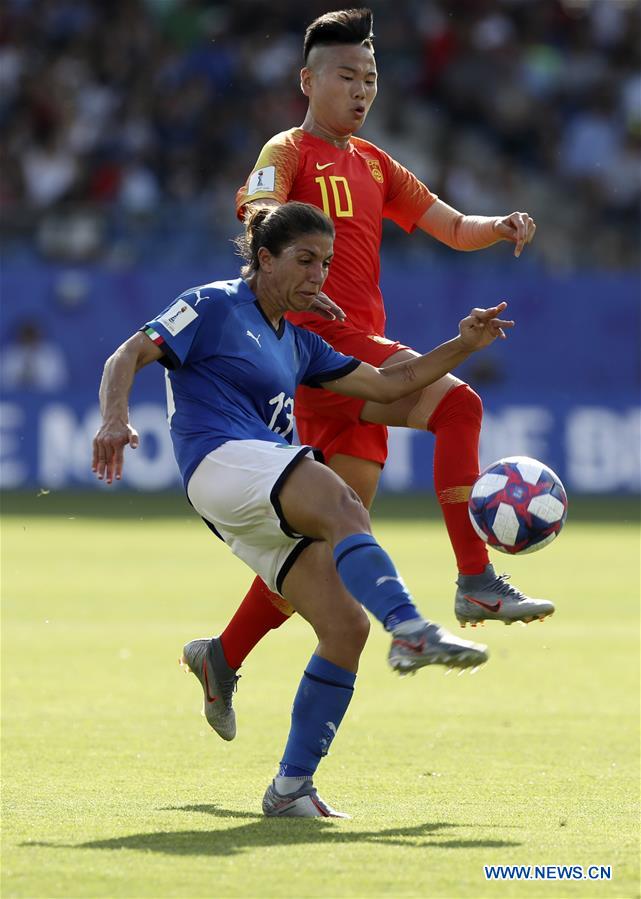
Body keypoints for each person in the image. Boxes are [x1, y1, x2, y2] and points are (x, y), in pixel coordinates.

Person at [92, 201, 513, 817]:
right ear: (264, 259)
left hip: (251, 485)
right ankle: (412, 630)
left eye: (326, 264)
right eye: (304, 261)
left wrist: (463, 343)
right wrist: (114, 419)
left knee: (345, 629)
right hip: (221, 461)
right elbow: (124, 355)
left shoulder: (300, 345)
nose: (318, 276)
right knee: (341, 499)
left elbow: (394, 384)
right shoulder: (210, 305)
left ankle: (291, 788)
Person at [201, 7, 554, 739]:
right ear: (308, 80)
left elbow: (450, 228)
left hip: (350, 352)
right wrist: (281, 241)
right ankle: (473, 578)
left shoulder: (372, 162)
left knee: (322, 552)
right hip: (315, 351)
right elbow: (260, 206)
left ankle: (221, 655)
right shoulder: (289, 147)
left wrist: (499, 226)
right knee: (456, 406)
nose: (360, 91)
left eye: (370, 78)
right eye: (345, 76)